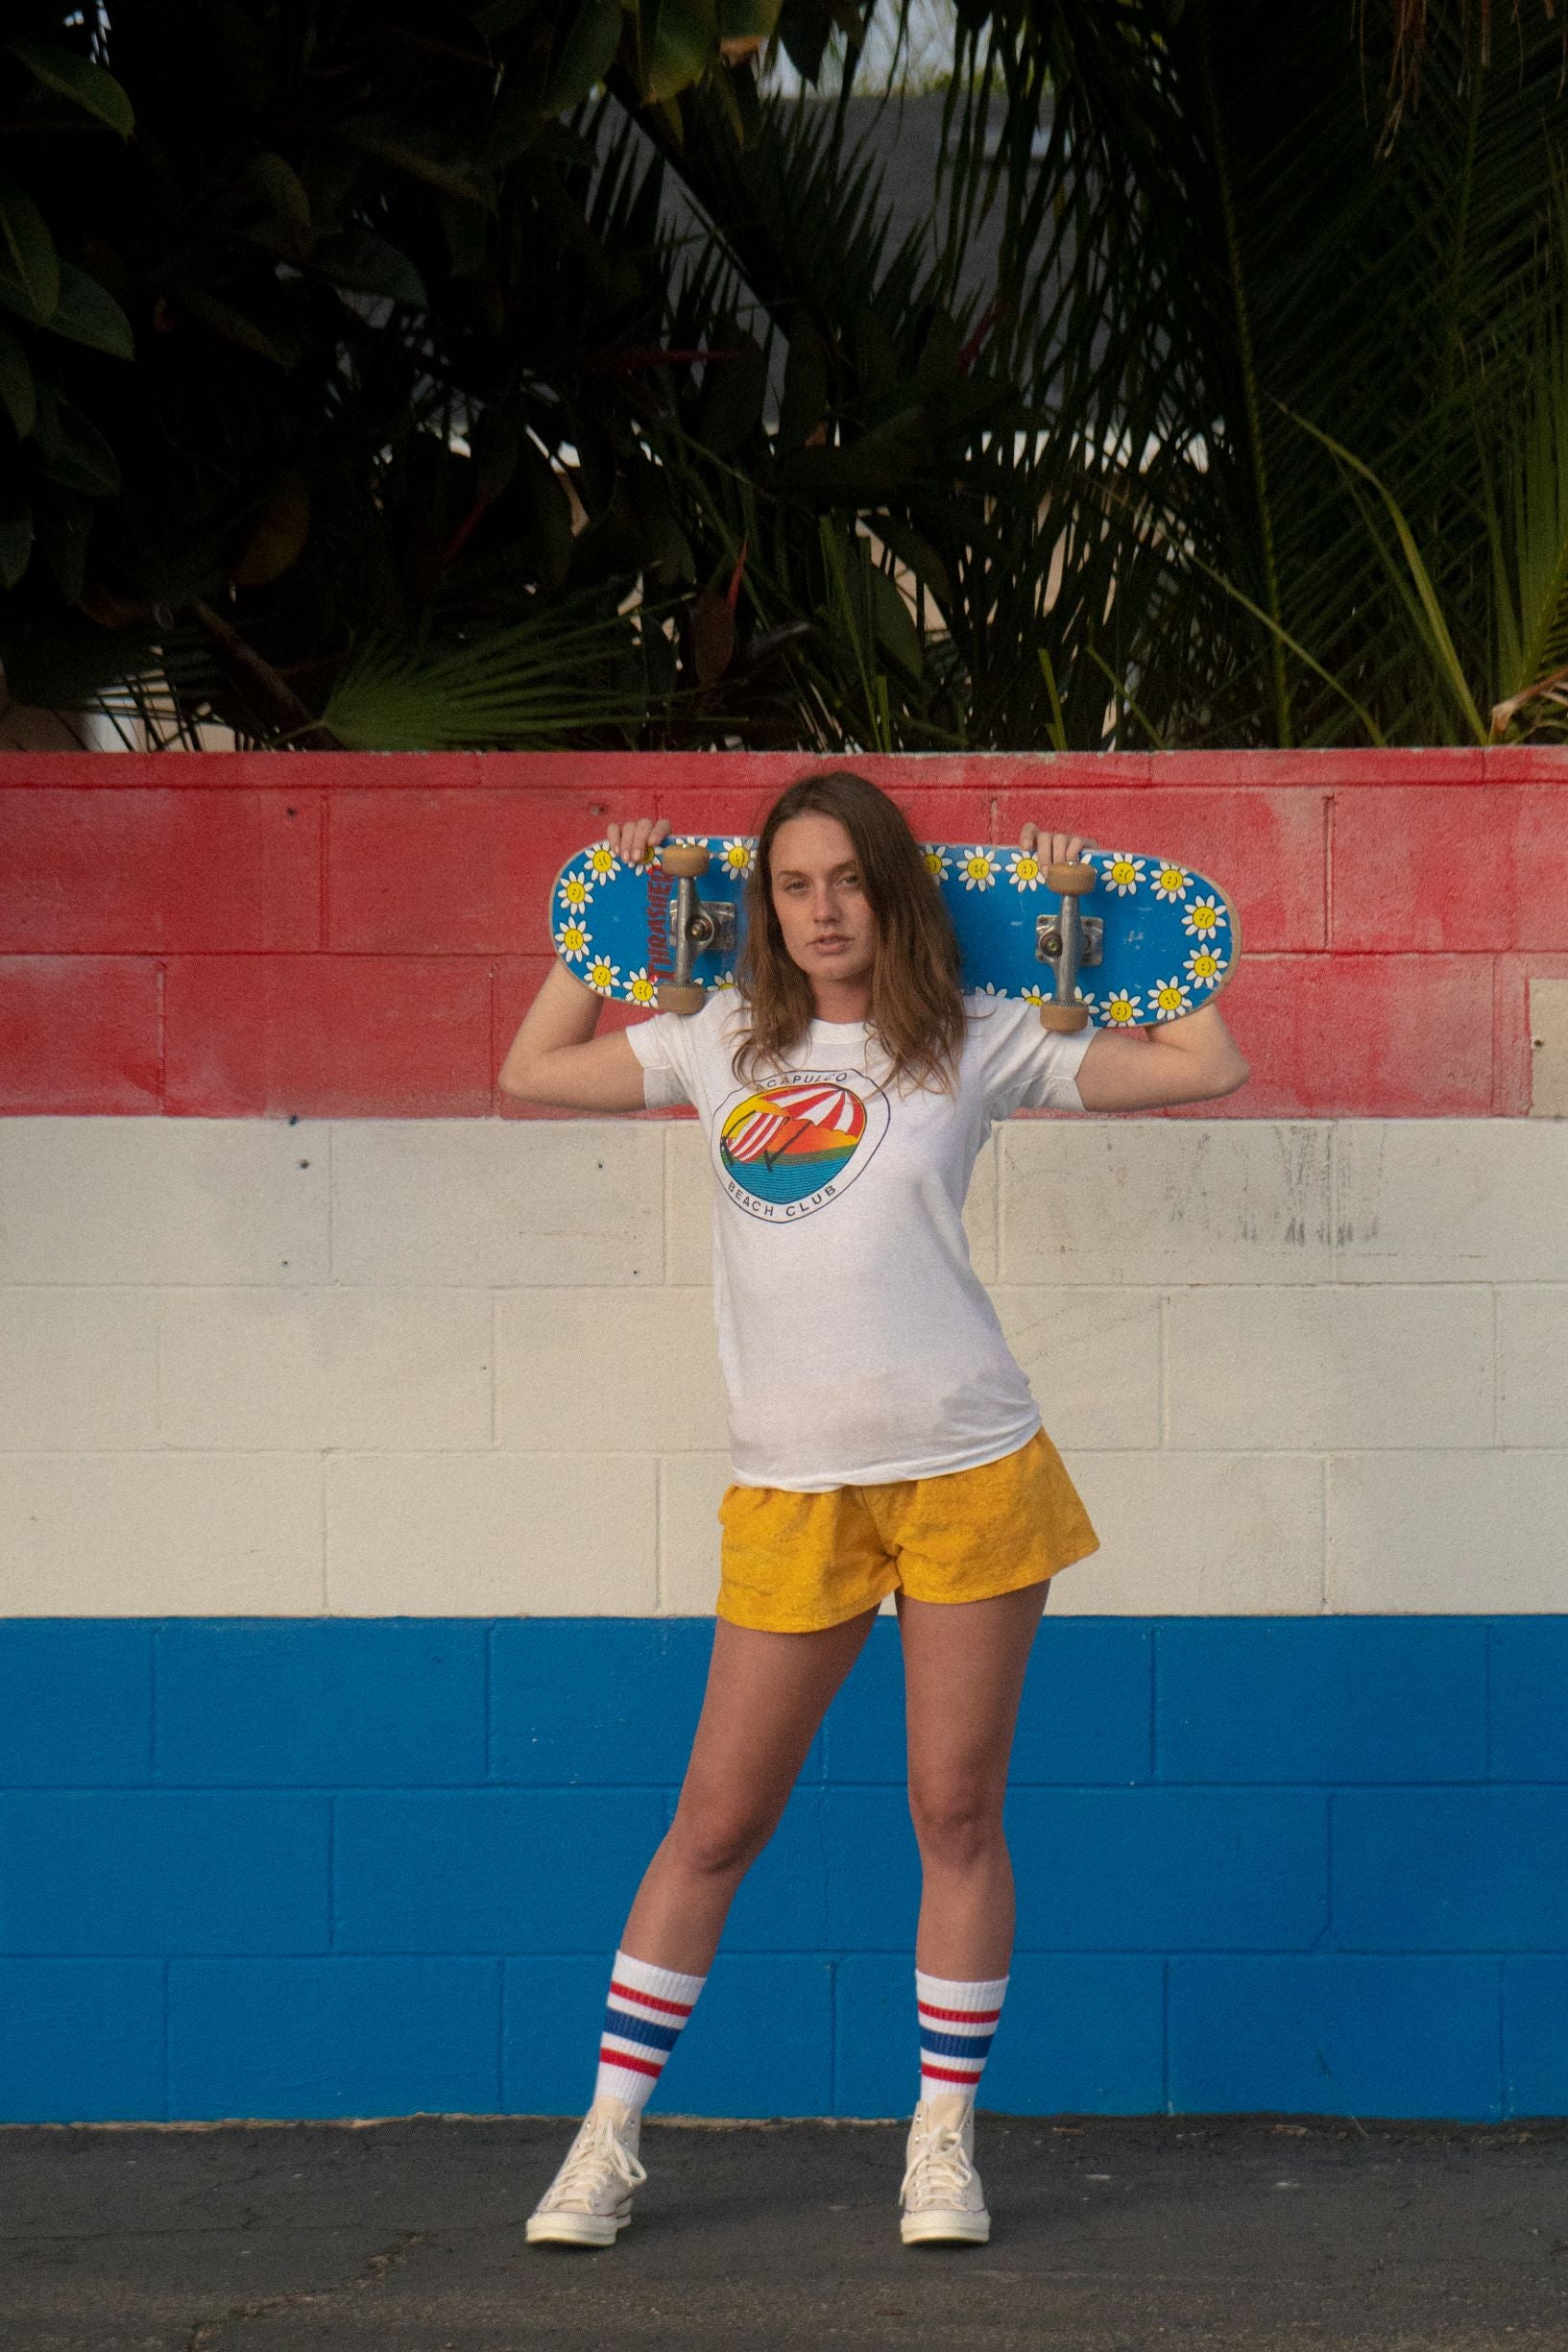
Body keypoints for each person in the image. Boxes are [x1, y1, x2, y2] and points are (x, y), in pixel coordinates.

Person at [500, 769, 1248, 2250]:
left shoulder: (976, 1036)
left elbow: (1205, 1062)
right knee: (714, 1820)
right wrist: (604, 922)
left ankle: (941, 2146)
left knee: (953, 1810)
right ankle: (603, 2140)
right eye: (792, 884)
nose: (822, 908)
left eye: (846, 879)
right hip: (792, 1486)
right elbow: (532, 1068)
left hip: (969, 1464)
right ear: (763, 905)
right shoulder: (719, 1036)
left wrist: (1080, 923)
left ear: (891, 889)